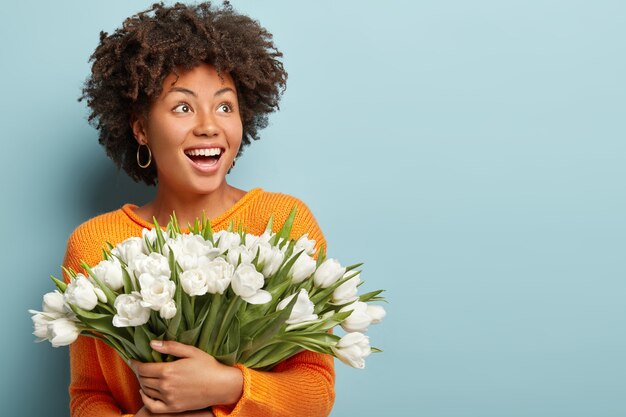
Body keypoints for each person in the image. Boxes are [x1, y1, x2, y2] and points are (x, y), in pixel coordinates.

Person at [63, 2, 335, 416]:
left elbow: (316, 389)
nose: (209, 125)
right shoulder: (94, 244)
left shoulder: (283, 224)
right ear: (140, 128)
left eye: (225, 106)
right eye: (182, 107)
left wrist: (227, 387)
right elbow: (88, 395)